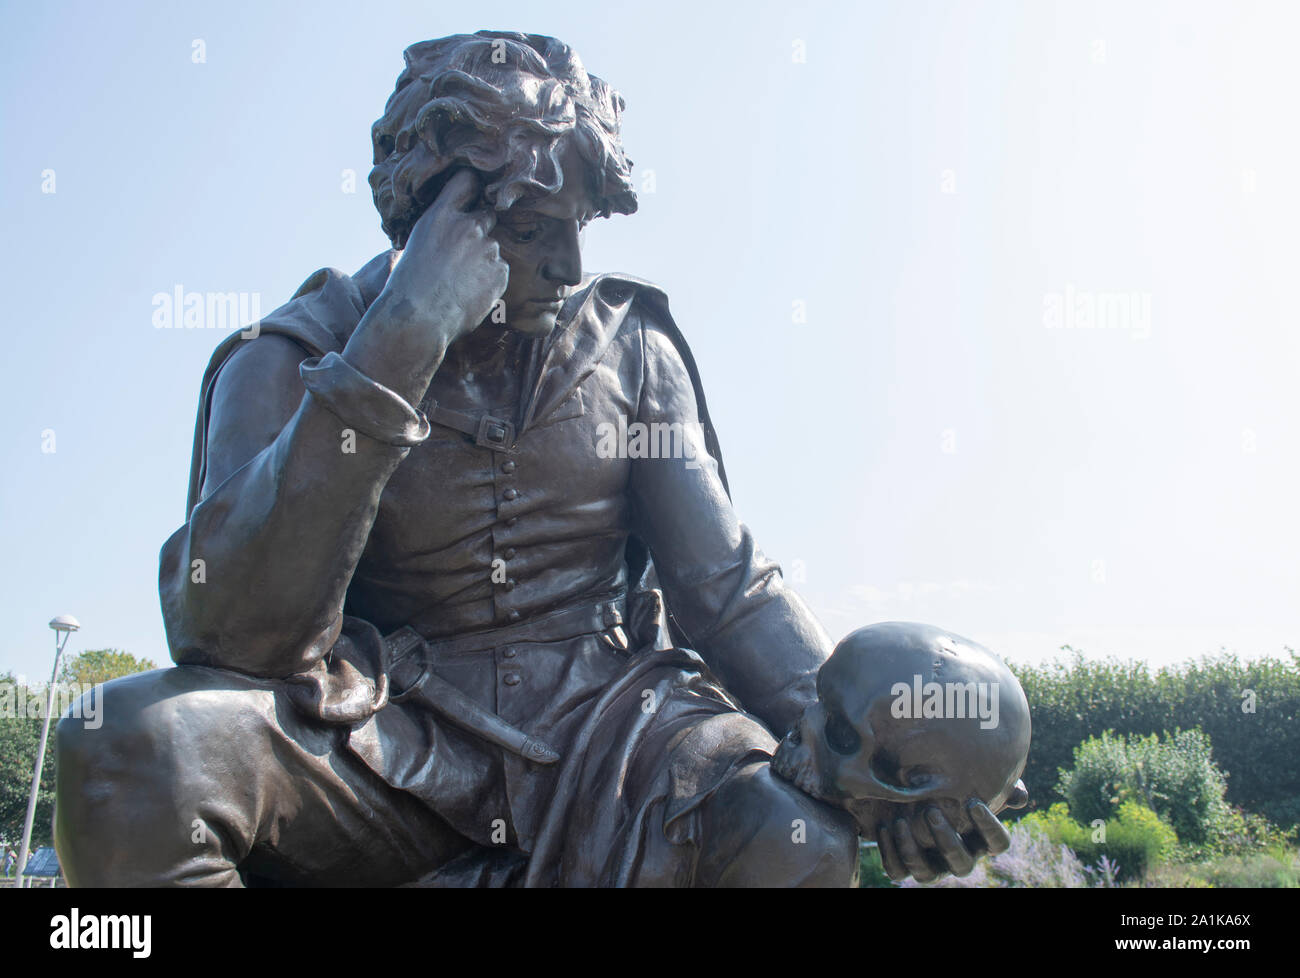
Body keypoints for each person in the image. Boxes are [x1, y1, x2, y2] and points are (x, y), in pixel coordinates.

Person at [54, 31, 1020, 887]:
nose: (566, 263)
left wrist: (874, 767)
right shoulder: (291, 360)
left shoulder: (631, 347)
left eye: (579, 227)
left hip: (622, 738)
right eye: (526, 228)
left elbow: (724, 590)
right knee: (134, 748)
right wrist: (400, 343)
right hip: (384, 739)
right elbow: (236, 639)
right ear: (432, 219)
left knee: (794, 839)